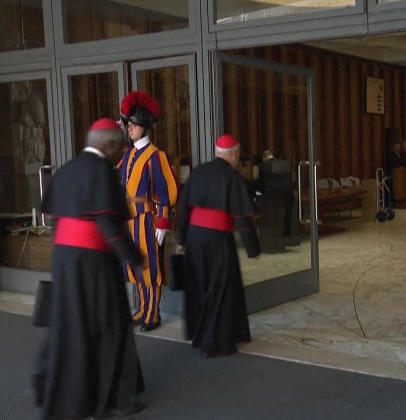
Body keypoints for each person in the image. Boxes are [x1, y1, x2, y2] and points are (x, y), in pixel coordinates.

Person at [33, 118, 146, 419]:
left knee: (73, 326)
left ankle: (74, 395)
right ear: (108, 145)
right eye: (120, 148)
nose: (121, 153)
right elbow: (110, 226)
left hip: (64, 260)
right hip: (95, 263)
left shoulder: (66, 170)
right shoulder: (102, 172)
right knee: (112, 328)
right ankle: (111, 401)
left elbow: (56, 221)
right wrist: (134, 258)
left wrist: (63, 260)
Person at [176, 134, 261, 358]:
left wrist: (182, 238)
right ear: (233, 154)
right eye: (238, 155)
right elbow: (242, 218)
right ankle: (214, 344)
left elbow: (184, 209)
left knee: (200, 286)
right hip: (217, 240)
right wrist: (253, 249)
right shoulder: (232, 177)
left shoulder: (198, 172)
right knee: (221, 290)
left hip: (194, 238)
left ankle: (198, 333)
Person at [118, 90, 180, 332]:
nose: (129, 128)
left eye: (133, 124)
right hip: (130, 218)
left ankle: (153, 314)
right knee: (135, 266)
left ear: (144, 125)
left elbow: (166, 192)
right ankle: (143, 308)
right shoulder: (129, 154)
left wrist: (163, 223)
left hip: (146, 219)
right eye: (128, 124)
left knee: (149, 267)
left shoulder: (156, 156)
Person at [258, 150, 293, 238]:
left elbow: (261, 181)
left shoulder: (264, 165)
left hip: (272, 192)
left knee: (272, 212)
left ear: (264, 158)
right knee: (287, 211)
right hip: (287, 190)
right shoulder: (284, 163)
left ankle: (273, 232)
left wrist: (260, 191)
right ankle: (287, 231)